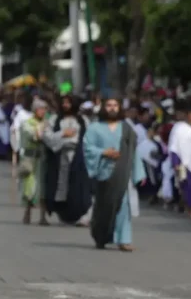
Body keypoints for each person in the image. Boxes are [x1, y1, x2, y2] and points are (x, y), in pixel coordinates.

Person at [83, 97, 146, 252]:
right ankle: (101, 237)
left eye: (115, 105)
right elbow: (87, 148)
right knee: (103, 207)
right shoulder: (94, 128)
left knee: (123, 205)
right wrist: (103, 152)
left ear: (120, 108)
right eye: (109, 105)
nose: (112, 108)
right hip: (102, 173)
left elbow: (133, 151)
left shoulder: (126, 129)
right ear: (104, 108)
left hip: (121, 173)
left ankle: (124, 240)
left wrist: (139, 173)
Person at [42, 94, 93, 226]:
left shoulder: (83, 120)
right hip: (60, 156)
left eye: (68, 103)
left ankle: (82, 214)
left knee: (79, 185)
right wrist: (63, 134)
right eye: (63, 103)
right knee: (60, 186)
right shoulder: (54, 119)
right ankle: (62, 213)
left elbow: (90, 137)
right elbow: (47, 136)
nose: (65, 105)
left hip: (78, 157)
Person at [169, 100, 191, 219]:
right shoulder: (178, 128)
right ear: (188, 115)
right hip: (184, 162)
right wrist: (175, 163)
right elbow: (174, 146)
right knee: (188, 185)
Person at [18, 99, 49, 225]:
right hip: (30, 159)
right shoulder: (27, 123)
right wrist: (41, 131)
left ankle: (43, 216)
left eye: (44, 109)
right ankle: (27, 213)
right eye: (40, 109)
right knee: (30, 187)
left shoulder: (47, 123)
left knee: (43, 188)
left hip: (43, 159)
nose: (42, 112)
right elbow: (34, 136)